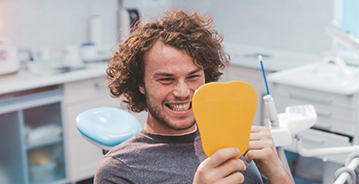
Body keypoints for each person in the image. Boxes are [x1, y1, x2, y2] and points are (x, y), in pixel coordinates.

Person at [94, 9, 293, 184]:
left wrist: (277, 173)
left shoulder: (235, 138)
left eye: (193, 77)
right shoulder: (119, 170)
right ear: (140, 84)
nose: (182, 92)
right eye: (166, 79)